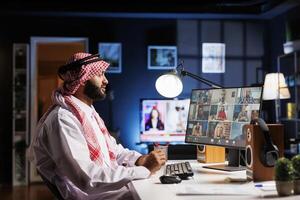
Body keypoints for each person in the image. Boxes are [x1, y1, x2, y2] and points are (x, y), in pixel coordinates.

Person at [28, 53, 166, 200]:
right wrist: (144, 170)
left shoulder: (87, 113)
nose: (105, 80)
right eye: (99, 75)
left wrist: (140, 160)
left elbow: (114, 151)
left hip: (102, 191)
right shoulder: (63, 119)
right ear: (82, 79)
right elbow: (87, 179)